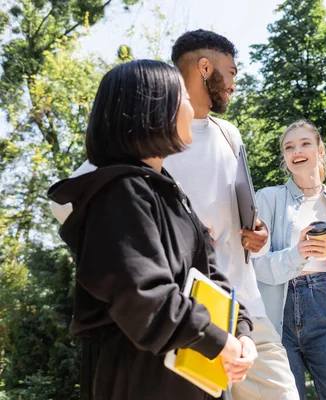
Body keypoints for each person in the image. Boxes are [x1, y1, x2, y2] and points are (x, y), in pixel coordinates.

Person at [51, 30, 299, 400]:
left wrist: (240, 330)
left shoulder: (172, 191)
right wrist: (217, 339)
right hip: (145, 371)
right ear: (152, 110)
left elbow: (213, 270)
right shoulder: (118, 191)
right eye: (179, 98)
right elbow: (142, 293)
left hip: (201, 352)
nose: (190, 108)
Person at [164, 30, 299, 400]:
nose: (235, 83)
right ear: (204, 67)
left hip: (247, 308)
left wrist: (257, 233)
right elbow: (76, 200)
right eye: (232, 72)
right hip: (191, 312)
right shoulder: (152, 133)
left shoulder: (230, 134)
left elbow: (243, 212)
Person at [253, 120, 326, 400]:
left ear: (320, 150)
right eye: (289, 147)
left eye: (305, 143)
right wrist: (298, 252)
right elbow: (256, 266)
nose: (297, 151)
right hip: (277, 313)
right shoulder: (267, 198)